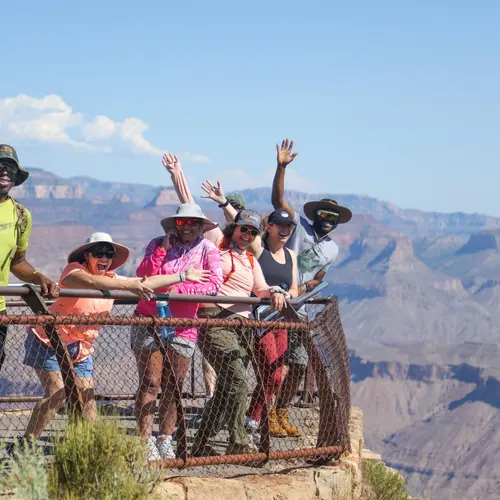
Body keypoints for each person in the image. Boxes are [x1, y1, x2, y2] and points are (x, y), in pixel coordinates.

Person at [21, 232, 209, 443]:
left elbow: (147, 281)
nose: (104, 258)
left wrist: (183, 276)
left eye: (108, 253)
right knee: (57, 392)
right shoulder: (73, 272)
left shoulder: (112, 279)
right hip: (49, 340)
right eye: (98, 252)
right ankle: (26, 444)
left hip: (81, 349)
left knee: (87, 400)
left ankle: (91, 451)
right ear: (86, 256)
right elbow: (92, 282)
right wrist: (130, 286)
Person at [160, 153, 288, 456]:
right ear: (235, 228)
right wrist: (177, 173)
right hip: (214, 319)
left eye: (253, 232)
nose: (247, 235)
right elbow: (190, 205)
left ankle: (200, 443)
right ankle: (239, 441)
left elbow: (259, 287)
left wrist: (275, 291)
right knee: (238, 381)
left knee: (228, 388)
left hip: (241, 326)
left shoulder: (249, 258)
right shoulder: (216, 244)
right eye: (244, 229)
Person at [201, 180, 299, 438]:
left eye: (291, 226)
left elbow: (270, 288)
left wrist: (280, 293)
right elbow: (231, 224)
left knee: (236, 381)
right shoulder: (236, 249)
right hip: (236, 321)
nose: (247, 235)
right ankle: (243, 434)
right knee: (243, 379)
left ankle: (205, 436)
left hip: (265, 322)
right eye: (282, 225)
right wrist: (223, 203)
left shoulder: (264, 258)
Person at [270, 138, 352, 435]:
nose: (327, 220)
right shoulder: (297, 225)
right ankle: (261, 412)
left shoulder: (332, 250)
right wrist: (281, 168)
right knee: (270, 365)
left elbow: (318, 277)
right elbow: (278, 201)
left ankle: (279, 412)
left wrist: (303, 291)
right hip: (274, 307)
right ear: (316, 215)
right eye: (324, 215)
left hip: (300, 311)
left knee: (299, 365)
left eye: (333, 218)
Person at [132, 203, 222, 460]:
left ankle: (165, 438)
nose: (188, 227)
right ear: (175, 224)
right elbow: (144, 277)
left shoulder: (208, 250)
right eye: (182, 222)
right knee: (150, 382)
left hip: (184, 326)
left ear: (201, 225)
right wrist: (163, 250)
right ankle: (144, 440)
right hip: (148, 319)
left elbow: (214, 286)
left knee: (174, 385)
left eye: (193, 222)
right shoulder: (157, 244)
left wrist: (173, 293)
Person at [0, 145, 59, 372]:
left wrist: (37, 276)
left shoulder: (21, 215)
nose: (4, 171)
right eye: (0, 165)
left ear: (16, 176)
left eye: (10, 167)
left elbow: (17, 262)